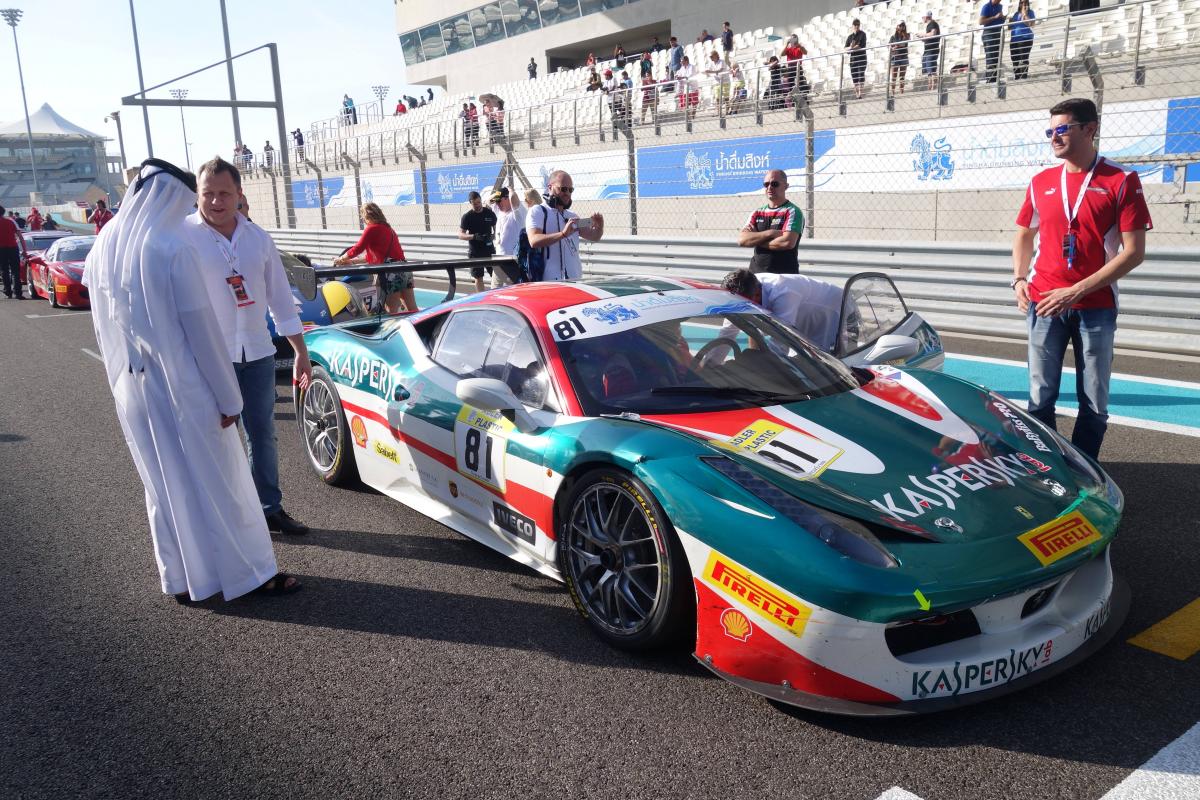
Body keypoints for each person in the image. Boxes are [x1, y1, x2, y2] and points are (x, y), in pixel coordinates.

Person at [83, 158, 300, 602]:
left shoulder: (107, 244)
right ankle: (251, 574)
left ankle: (184, 576)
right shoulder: (171, 247)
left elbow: (102, 324)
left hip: (136, 387)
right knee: (225, 482)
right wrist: (229, 400)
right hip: (185, 386)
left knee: (167, 486)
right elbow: (202, 335)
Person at [1011, 98, 1153, 460]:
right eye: (1050, 131)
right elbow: (1024, 234)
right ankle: (1045, 466)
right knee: (1040, 397)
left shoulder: (1121, 180)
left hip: (1095, 306)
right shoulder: (1041, 181)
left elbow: (1134, 252)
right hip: (1044, 302)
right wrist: (1019, 279)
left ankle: (1086, 473)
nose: (1054, 137)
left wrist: (1075, 291)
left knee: (1093, 398)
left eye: (1062, 129)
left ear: (1090, 129)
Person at [187, 157, 312, 536]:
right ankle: (226, 515)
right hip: (210, 359)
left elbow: (281, 300)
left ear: (239, 194)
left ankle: (269, 508)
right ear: (197, 195)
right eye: (208, 193)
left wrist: (300, 353)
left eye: (224, 193)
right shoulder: (184, 238)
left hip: (257, 354)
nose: (216, 201)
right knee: (218, 439)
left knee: (263, 436)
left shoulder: (258, 238)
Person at [721, 269, 844, 352]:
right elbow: (728, 332)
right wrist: (711, 363)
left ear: (757, 294)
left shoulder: (783, 291)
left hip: (833, 313)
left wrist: (760, 370)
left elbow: (782, 340)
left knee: (826, 366)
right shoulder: (740, 293)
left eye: (741, 305)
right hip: (802, 315)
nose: (737, 308)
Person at [332, 202, 416, 314]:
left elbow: (357, 248)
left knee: (391, 310)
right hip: (404, 268)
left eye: (362, 217)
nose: (362, 220)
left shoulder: (371, 229)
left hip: (391, 272)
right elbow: (372, 257)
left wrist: (341, 258)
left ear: (367, 216)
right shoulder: (389, 229)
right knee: (412, 308)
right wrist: (351, 261)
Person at [526, 170, 604, 282]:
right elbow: (534, 240)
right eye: (563, 189)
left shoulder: (572, 216)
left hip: (575, 280)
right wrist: (562, 234)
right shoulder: (538, 211)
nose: (567, 193)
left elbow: (594, 236)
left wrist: (599, 226)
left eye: (570, 190)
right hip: (549, 282)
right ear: (550, 187)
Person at [738, 169, 803, 273]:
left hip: (784, 275)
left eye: (774, 184)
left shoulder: (793, 211)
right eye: (766, 184)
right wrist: (771, 233)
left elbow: (786, 242)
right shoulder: (757, 212)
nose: (769, 187)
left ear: (786, 186)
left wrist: (756, 240)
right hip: (756, 275)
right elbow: (742, 240)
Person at [458, 190, 497, 293]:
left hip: (489, 250)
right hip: (475, 252)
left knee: (496, 275)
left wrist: (493, 236)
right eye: (474, 204)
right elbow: (461, 235)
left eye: (479, 202)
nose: (477, 205)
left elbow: (497, 228)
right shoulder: (467, 217)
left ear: (481, 200)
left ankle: (496, 296)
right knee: (478, 277)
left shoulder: (489, 213)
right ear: (470, 203)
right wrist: (474, 236)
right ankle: (481, 297)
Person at [489, 187, 526, 287]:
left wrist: (511, 191)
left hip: (512, 260)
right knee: (494, 290)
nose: (497, 204)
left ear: (507, 198)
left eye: (499, 201)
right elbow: (488, 201)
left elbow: (514, 199)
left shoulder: (517, 213)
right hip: (498, 259)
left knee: (512, 289)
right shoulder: (499, 211)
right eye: (496, 202)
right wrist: (498, 194)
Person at [1009, 0, 1036, 80]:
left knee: (1023, 58)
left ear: (1028, 4)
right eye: (1021, 2)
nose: (1023, 4)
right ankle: (1017, 77)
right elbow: (1010, 27)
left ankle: (1023, 77)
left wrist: (1024, 14)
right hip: (1014, 39)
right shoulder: (1016, 14)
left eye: (1025, 2)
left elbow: (1031, 24)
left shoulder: (1030, 12)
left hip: (1025, 38)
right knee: (1014, 59)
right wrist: (1010, 22)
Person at [980, 0, 1006, 83]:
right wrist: (994, 17)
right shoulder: (987, 6)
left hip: (998, 33)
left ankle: (995, 79)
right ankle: (991, 80)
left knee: (996, 58)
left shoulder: (1000, 6)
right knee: (991, 57)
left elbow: (1000, 21)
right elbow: (981, 21)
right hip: (989, 34)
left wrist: (1003, 17)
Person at [0, 205, 22, 299]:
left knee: (4, 270)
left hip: (1, 249)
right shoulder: (11, 221)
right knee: (15, 271)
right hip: (13, 247)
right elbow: (20, 236)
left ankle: (8, 291)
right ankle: (18, 293)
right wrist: (24, 250)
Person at [916, 12, 942, 91]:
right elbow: (931, 36)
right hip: (928, 50)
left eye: (922, 17)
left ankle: (934, 87)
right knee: (929, 70)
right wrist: (923, 38)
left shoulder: (933, 24)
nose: (922, 19)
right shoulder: (930, 25)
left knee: (931, 69)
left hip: (931, 50)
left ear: (926, 17)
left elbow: (933, 33)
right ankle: (930, 87)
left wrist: (923, 35)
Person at [846, 20, 868, 99]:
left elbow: (860, 46)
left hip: (861, 58)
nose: (856, 26)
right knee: (854, 76)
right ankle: (857, 94)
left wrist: (851, 48)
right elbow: (845, 48)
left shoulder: (862, 34)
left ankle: (860, 93)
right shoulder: (850, 37)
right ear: (853, 26)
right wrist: (850, 48)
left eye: (858, 25)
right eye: (855, 25)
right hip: (853, 59)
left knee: (861, 74)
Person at [889, 22, 911, 96]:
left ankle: (901, 91)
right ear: (897, 26)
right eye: (900, 25)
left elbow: (904, 44)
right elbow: (889, 46)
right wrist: (892, 48)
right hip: (895, 57)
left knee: (902, 76)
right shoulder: (893, 37)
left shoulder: (906, 35)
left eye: (903, 25)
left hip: (903, 57)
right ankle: (892, 91)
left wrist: (896, 46)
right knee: (894, 76)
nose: (901, 27)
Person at [781, 34, 807, 98]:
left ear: (797, 39)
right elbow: (782, 54)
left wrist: (799, 45)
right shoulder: (789, 48)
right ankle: (792, 97)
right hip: (790, 67)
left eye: (794, 38)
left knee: (800, 81)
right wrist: (786, 44)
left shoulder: (799, 47)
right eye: (792, 38)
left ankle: (803, 96)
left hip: (798, 66)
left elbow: (805, 52)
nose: (793, 39)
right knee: (790, 82)